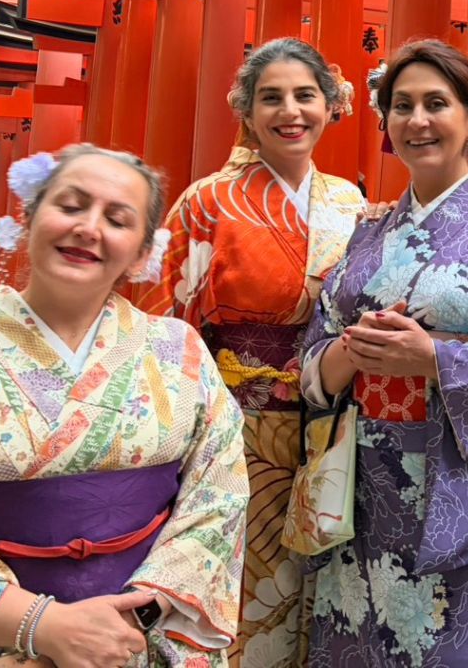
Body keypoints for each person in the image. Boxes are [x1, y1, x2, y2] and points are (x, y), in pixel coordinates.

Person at [299, 39, 468, 667]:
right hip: (367, 492)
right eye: (401, 106)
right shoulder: (370, 230)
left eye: (436, 104)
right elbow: (315, 353)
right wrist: (344, 356)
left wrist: (436, 362)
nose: (417, 121)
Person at [0, 145, 248, 668]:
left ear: (140, 253)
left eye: (117, 219)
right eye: (70, 206)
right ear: (29, 216)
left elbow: (218, 500)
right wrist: (42, 627)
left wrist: (127, 624)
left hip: (143, 640)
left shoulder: (175, 349)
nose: (89, 228)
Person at [139, 38, 364, 668]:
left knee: (329, 579)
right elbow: (165, 327)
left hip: (334, 425)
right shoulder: (206, 202)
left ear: (330, 105)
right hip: (237, 426)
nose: (289, 111)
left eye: (304, 96)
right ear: (246, 109)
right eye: (272, 98)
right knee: (245, 583)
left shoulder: (350, 202)